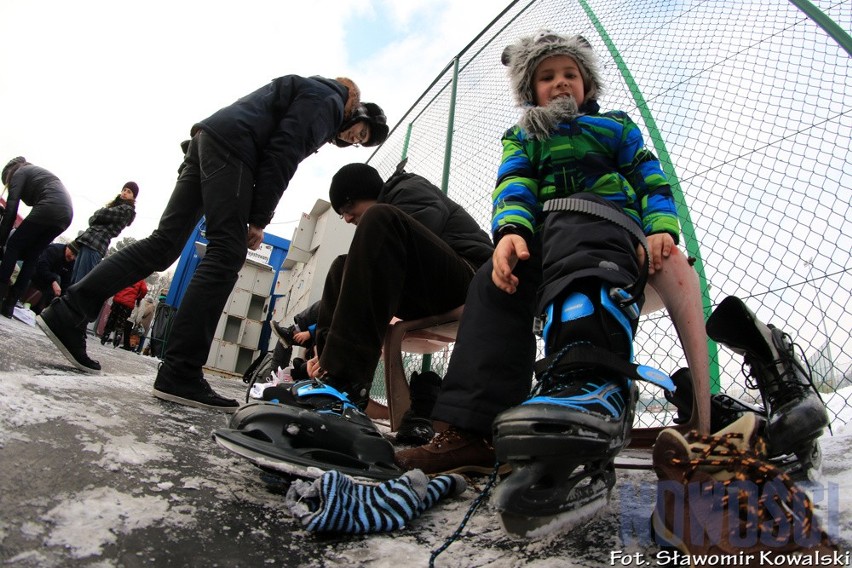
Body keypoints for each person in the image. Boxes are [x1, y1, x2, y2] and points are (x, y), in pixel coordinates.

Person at [395, 30, 702, 479]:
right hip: (546, 240)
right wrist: (511, 233)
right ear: (530, 91)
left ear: (587, 83)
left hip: (608, 229)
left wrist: (660, 227)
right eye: (546, 77)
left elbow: (649, 177)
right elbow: (514, 183)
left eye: (570, 74)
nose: (560, 83)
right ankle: (473, 431)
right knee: (490, 282)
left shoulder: (615, 126)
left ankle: (589, 381)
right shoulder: (523, 135)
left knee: (576, 229)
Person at [37, 74, 389, 414]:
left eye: (359, 141)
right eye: (359, 132)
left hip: (209, 139)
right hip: (233, 149)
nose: (353, 139)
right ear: (355, 109)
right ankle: (180, 371)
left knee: (164, 244)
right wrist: (259, 218)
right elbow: (284, 151)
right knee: (226, 252)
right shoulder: (330, 102)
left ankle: (68, 312)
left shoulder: (311, 91)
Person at [265, 161, 493, 417]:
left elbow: (413, 241)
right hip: (427, 288)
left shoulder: (409, 189)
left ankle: (345, 383)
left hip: (473, 278)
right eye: (341, 213)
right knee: (342, 265)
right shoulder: (386, 212)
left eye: (348, 207)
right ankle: (329, 373)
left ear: (368, 191)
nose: (347, 217)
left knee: (378, 219)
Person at [0, 157, 74, 318]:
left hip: (49, 207)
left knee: (13, 244)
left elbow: (10, 210)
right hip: (66, 215)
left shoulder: (19, 172)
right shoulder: (37, 173)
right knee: (33, 255)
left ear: (9, 175)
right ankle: (10, 304)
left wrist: (1, 241)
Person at [69, 182, 139, 284]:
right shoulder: (115, 206)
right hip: (87, 241)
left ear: (133, 197)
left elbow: (101, 214)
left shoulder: (127, 210)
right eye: (124, 190)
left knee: (80, 282)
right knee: (74, 279)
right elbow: (92, 220)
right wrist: (98, 215)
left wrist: (99, 214)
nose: (125, 193)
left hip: (95, 245)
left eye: (129, 192)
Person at [29, 241, 79, 314]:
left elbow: (66, 281)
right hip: (37, 275)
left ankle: (44, 310)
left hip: (49, 284)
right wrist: (53, 281)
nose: (72, 257)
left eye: (75, 256)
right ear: (68, 248)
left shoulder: (71, 262)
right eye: (72, 254)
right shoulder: (54, 250)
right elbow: (41, 267)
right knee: (57, 278)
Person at [100, 279, 148, 347]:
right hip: (128, 304)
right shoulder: (141, 279)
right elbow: (144, 290)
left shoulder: (128, 273)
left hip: (118, 300)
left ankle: (106, 334)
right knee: (122, 320)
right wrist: (139, 297)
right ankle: (118, 334)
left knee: (112, 317)